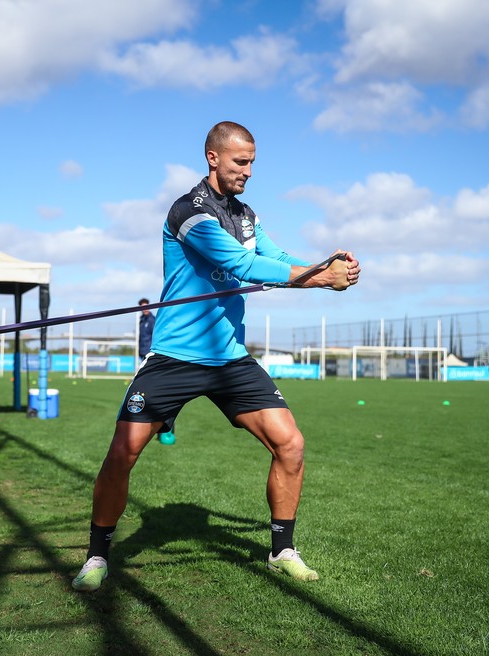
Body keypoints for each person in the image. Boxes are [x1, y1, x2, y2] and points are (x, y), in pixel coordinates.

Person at [72, 121, 361, 592]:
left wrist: (326, 270)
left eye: (252, 163)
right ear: (213, 157)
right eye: (240, 161)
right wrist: (321, 278)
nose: (248, 171)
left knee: (290, 444)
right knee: (122, 454)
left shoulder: (246, 216)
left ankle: (281, 550)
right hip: (174, 358)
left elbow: (275, 258)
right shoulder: (188, 211)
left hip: (230, 359)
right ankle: (97, 556)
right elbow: (240, 264)